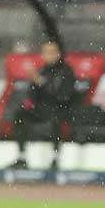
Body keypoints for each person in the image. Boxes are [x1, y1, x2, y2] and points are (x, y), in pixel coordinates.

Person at [10, 41, 78, 170]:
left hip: (61, 109)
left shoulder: (66, 71)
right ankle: (22, 157)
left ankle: (55, 158)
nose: (49, 55)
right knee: (20, 115)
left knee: (56, 119)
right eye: (46, 52)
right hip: (41, 109)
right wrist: (33, 90)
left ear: (58, 54)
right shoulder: (41, 70)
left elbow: (62, 97)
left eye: (52, 52)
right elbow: (32, 94)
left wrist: (41, 82)